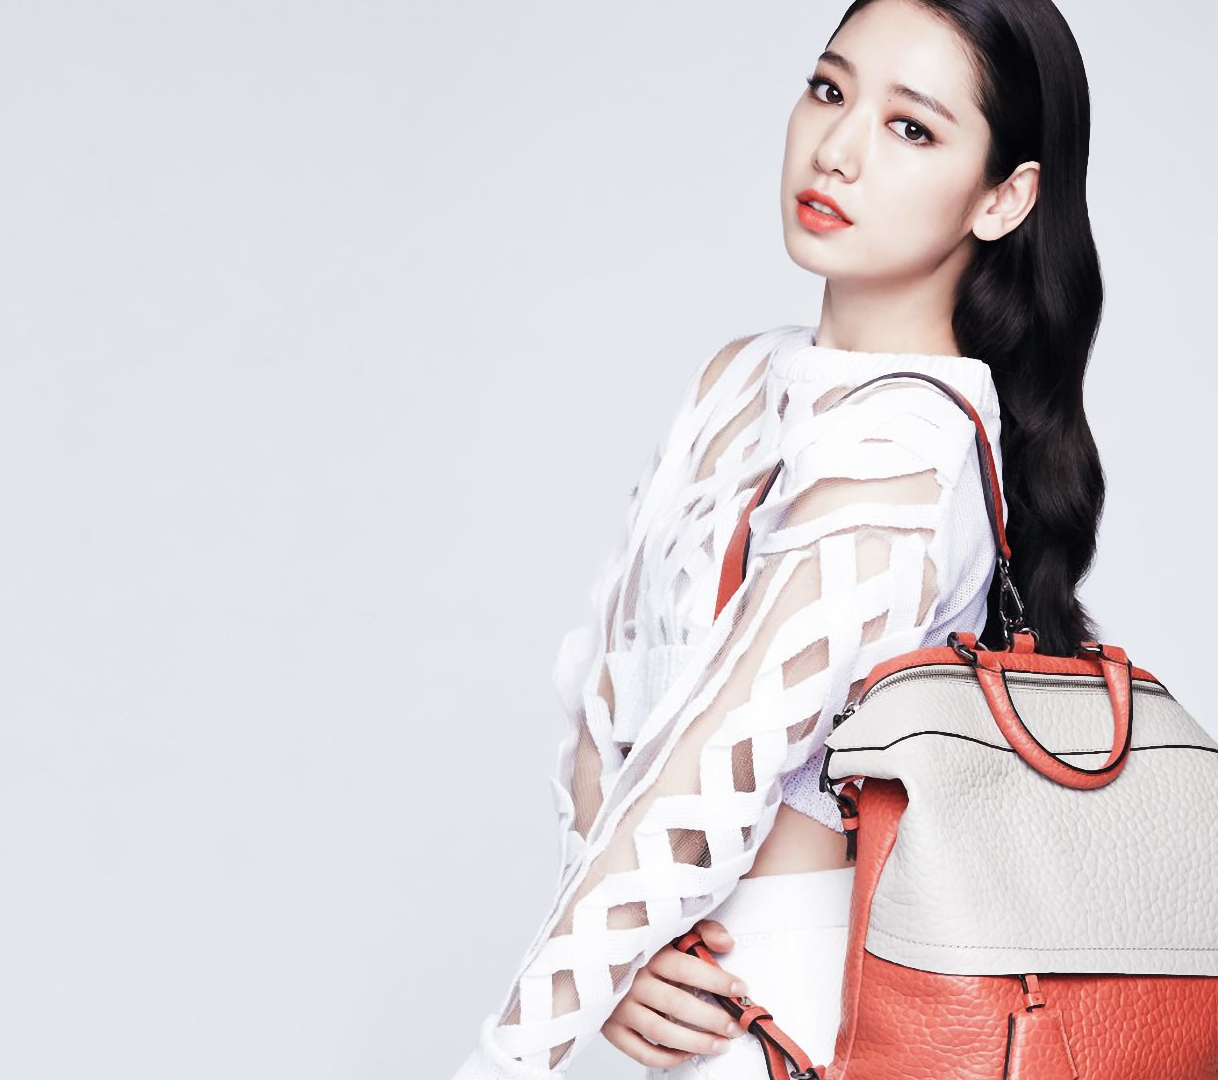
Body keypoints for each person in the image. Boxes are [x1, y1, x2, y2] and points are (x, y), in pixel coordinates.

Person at [452, 0, 1104, 1076]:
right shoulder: (738, 379)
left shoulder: (908, 444)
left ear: (1003, 198)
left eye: (911, 128)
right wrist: (617, 950)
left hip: (805, 1015)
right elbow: (607, 699)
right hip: (686, 997)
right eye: (829, 89)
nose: (838, 148)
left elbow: (716, 760)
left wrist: (515, 1045)